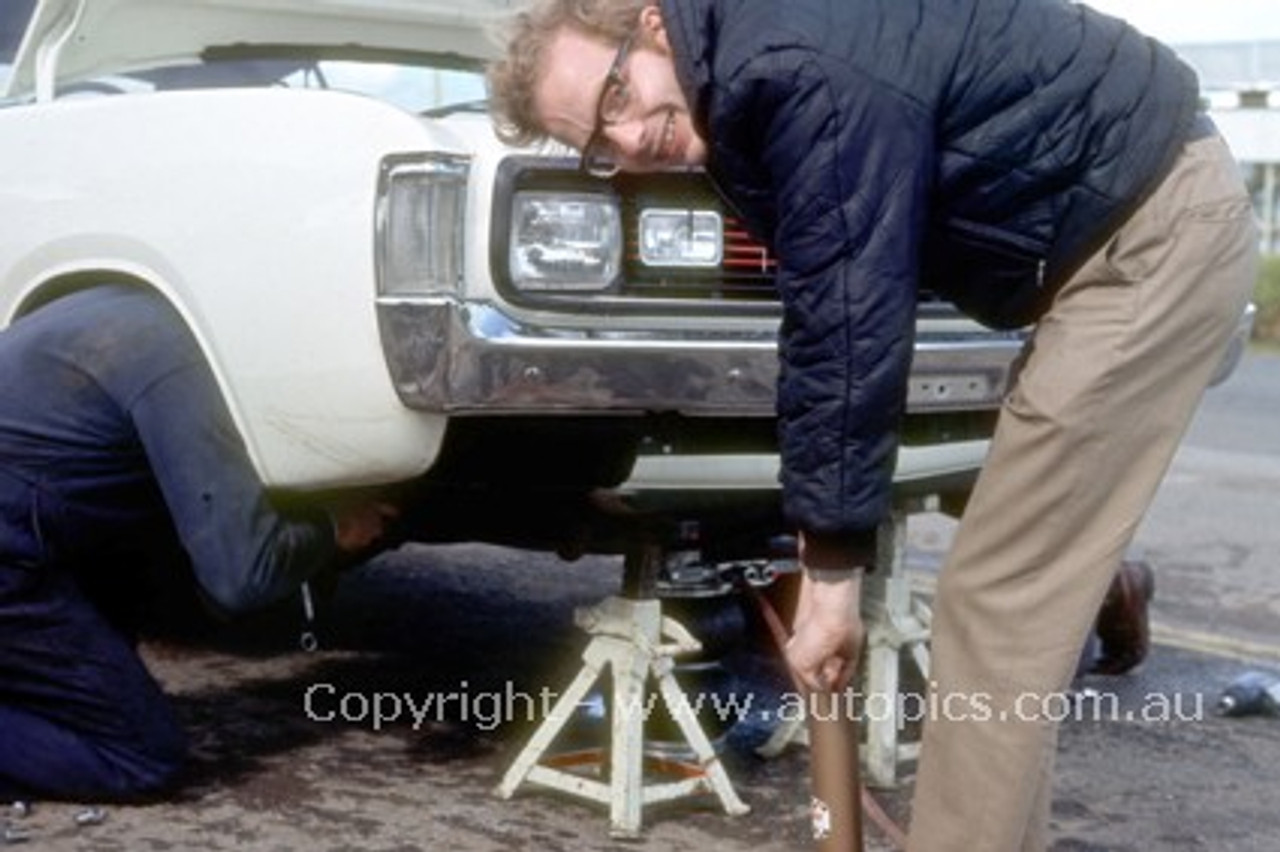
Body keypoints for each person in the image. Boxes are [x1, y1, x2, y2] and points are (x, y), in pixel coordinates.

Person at [486, 1, 1258, 848]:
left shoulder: (786, 65)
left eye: (615, 98)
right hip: (1117, 230)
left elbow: (848, 323)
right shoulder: (747, 62)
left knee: (998, 604)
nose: (628, 141)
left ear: (649, 25)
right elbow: (827, 305)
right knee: (1003, 599)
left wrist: (830, 575)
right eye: (599, 145)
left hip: (1150, 236)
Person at [0, 284, 397, 803]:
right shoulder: (176, 362)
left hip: (29, 520)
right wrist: (331, 529)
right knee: (140, 753)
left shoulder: (122, 305)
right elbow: (240, 576)